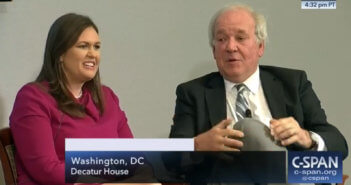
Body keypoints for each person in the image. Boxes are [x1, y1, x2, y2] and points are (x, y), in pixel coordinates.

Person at [170, 3, 348, 176]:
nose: (231, 47)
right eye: (222, 39)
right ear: (214, 51)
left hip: (294, 175)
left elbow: (339, 146)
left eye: (240, 38)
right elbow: (169, 160)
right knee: (248, 128)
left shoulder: (293, 83)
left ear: (260, 46)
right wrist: (198, 145)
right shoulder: (193, 93)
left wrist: (307, 138)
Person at [9, 13, 133, 185]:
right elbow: (47, 170)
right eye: (83, 46)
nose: (93, 54)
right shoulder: (33, 98)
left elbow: (131, 158)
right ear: (60, 53)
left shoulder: (107, 97)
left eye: (97, 47)